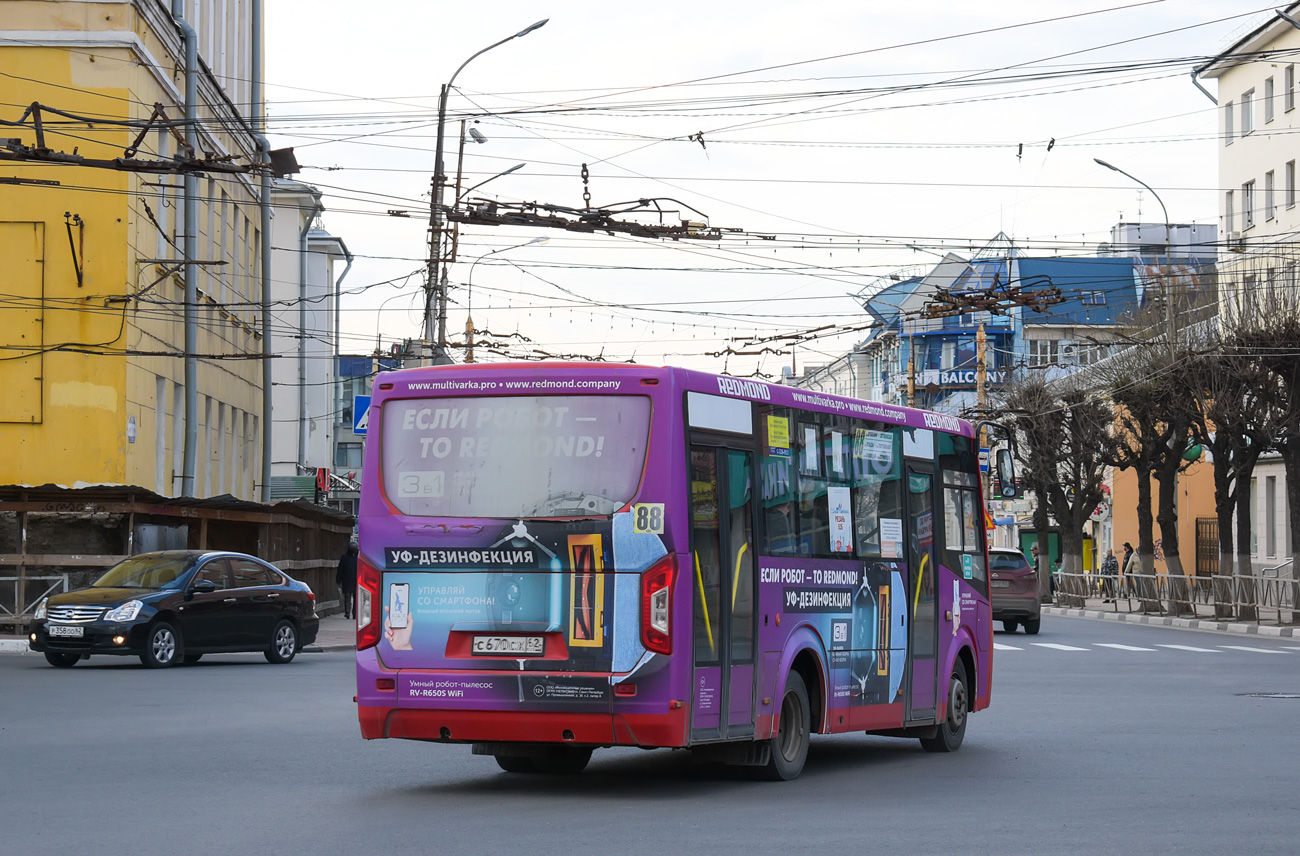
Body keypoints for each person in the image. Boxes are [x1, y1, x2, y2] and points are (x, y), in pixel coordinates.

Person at [336, 541, 358, 619]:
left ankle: (349, 612)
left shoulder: (345, 557)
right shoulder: (358, 558)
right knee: (353, 597)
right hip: (355, 580)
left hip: (348, 579)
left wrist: (338, 580)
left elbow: (340, 569)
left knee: (348, 596)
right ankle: (352, 613)